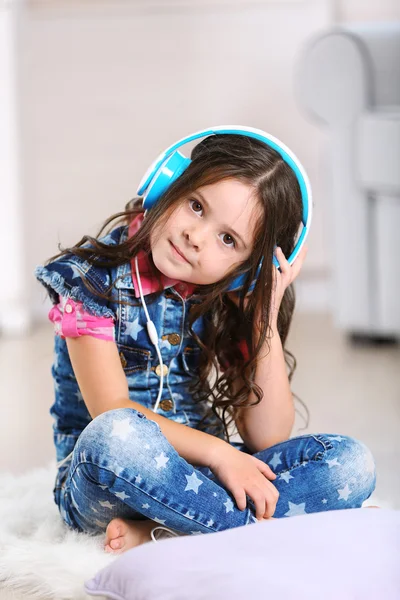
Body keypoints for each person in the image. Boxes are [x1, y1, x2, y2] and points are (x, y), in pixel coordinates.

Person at [34, 129, 376, 555]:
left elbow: (266, 438)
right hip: (112, 479)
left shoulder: (225, 294)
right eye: (197, 206)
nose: (196, 236)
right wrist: (219, 454)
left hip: (199, 480)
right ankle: (254, 530)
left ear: (244, 269)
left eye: (227, 239)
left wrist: (262, 313)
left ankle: (176, 531)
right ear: (167, 185)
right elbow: (111, 408)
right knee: (115, 435)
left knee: (350, 463)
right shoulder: (89, 280)